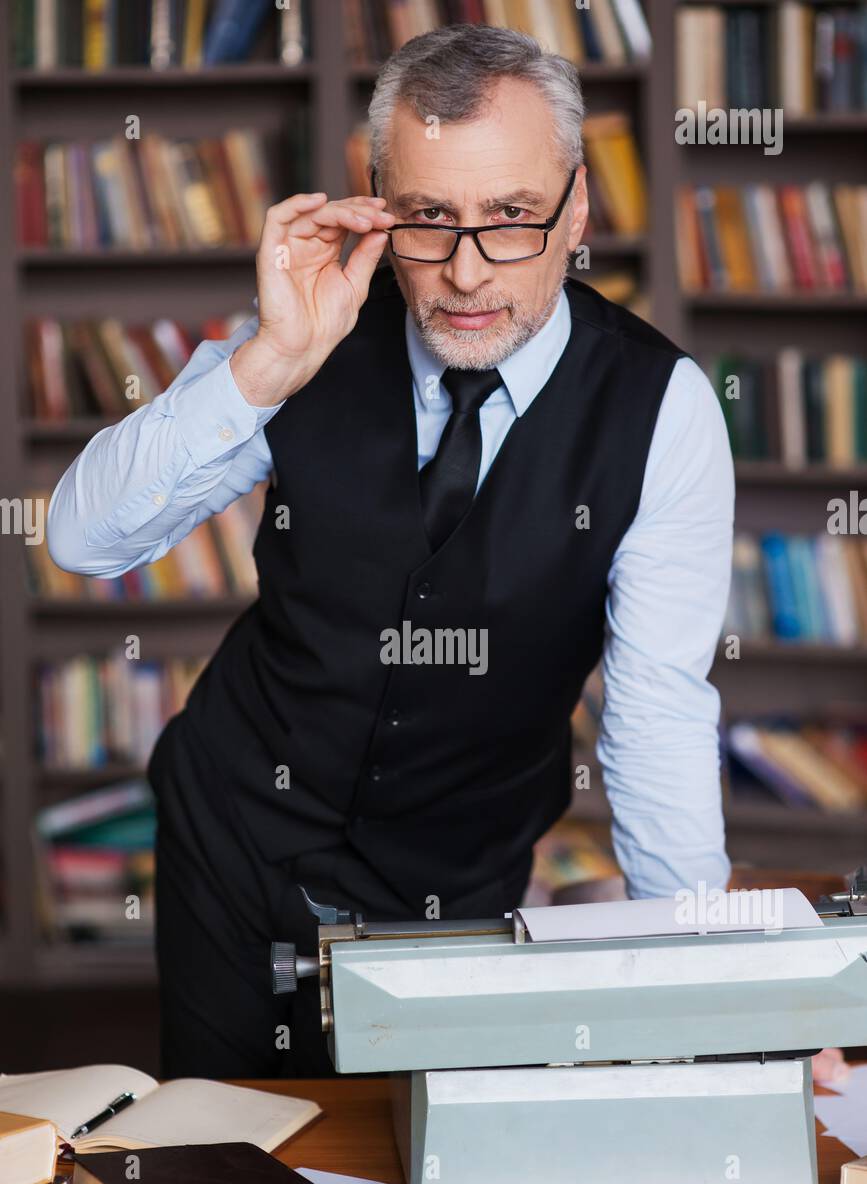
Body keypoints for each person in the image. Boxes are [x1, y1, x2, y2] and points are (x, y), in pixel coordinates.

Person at [47, 25, 734, 1080]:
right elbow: (83, 539)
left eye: (509, 216)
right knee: (234, 1177)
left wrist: (713, 985)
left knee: (429, 1183)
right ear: (376, 202)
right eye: (428, 218)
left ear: (577, 208)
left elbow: (657, 721)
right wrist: (268, 362)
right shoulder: (308, 332)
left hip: (456, 884)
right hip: (235, 843)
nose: (465, 273)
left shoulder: (663, 411)